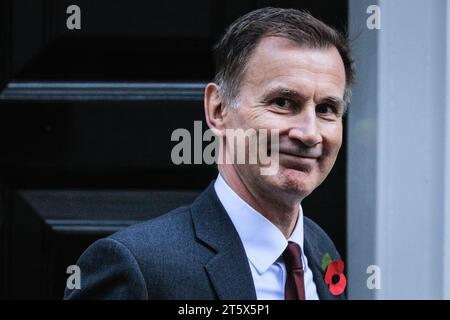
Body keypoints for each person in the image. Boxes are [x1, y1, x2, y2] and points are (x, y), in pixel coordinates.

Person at [64, 7, 354, 300]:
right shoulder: (137, 267)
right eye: (282, 102)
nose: (309, 133)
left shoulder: (320, 250)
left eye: (326, 109)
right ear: (218, 110)